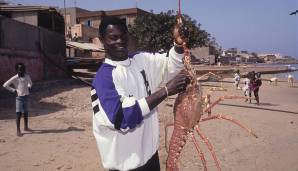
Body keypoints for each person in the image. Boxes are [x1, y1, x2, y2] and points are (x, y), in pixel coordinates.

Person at [90, 16, 189, 171]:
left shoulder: (140, 59)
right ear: (102, 40)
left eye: (123, 36)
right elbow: (121, 118)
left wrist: (177, 44)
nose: (120, 41)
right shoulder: (103, 79)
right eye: (113, 38)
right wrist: (166, 91)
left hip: (151, 157)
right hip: (126, 166)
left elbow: (169, 66)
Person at [3, 63, 32, 136]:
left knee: (26, 112)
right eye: (19, 69)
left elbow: (30, 83)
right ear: (16, 70)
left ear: (24, 70)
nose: (21, 71)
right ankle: (18, 130)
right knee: (18, 114)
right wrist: (14, 90)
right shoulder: (15, 78)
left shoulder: (27, 76)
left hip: (26, 97)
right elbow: (5, 85)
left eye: (23, 69)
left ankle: (26, 127)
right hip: (19, 98)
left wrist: (28, 87)